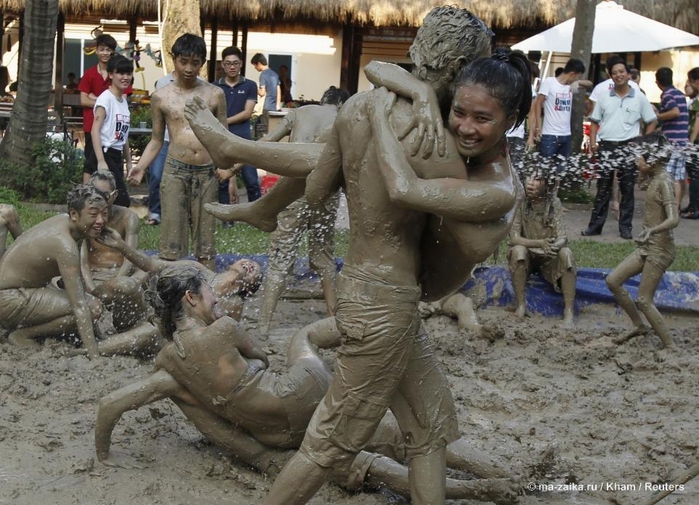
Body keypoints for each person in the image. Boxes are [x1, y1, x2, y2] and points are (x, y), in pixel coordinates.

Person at [184, 9, 527, 503]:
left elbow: (320, 181)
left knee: (428, 426)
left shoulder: (360, 106)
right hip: (386, 304)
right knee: (327, 446)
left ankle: (237, 154)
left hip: (370, 292)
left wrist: (258, 164)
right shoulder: (440, 146)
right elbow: (466, 244)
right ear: (459, 68)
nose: (468, 119)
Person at [95, 265, 520, 504]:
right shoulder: (223, 328)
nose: (217, 299)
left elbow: (110, 404)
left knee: (358, 460)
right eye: (210, 292)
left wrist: (104, 456)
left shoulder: (166, 366)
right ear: (191, 299)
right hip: (299, 390)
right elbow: (261, 355)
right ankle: (375, 326)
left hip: (275, 435)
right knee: (306, 341)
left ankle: (479, 491)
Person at [127, 34, 227, 271]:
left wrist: (228, 169)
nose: (189, 68)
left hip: (207, 173)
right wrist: (140, 167)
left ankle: (207, 295)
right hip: (175, 170)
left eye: (195, 63)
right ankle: (172, 295)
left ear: (203, 62)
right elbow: (155, 140)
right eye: (183, 62)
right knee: (171, 243)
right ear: (174, 60)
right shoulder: (162, 96)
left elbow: (224, 137)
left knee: (206, 245)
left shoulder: (215, 94)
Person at [255, 86, 348, 336]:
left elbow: (266, 143)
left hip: (291, 191)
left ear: (323, 101)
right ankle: (334, 320)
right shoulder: (344, 120)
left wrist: (233, 167)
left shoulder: (300, 113)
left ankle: (263, 327)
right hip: (326, 193)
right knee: (324, 258)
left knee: (280, 262)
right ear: (342, 105)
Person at [0, 186, 107, 358]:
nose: (101, 221)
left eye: (105, 214)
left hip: (20, 291)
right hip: (9, 297)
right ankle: (23, 334)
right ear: (74, 214)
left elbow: (73, 283)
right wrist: (95, 356)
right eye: (94, 215)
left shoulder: (70, 225)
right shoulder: (65, 245)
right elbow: (79, 305)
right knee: (92, 307)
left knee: (87, 304)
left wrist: (97, 335)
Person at [607, 132, 678, 349]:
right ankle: (639, 325)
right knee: (613, 281)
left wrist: (652, 231)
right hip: (647, 247)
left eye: (640, 157)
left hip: (660, 249)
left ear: (653, 160)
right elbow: (641, 186)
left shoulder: (664, 183)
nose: (636, 160)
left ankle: (670, 345)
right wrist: (641, 171)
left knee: (644, 300)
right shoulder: (654, 179)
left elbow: (674, 219)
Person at [581, 56, 657, 239]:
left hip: (628, 147)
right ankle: (595, 227)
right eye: (614, 73)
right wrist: (592, 142)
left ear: (628, 74)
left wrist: (641, 141)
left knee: (627, 189)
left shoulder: (639, 97)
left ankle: (625, 228)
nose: (618, 75)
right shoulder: (605, 97)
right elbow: (594, 122)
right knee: (603, 188)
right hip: (606, 145)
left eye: (621, 72)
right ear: (610, 75)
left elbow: (652, 120)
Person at [509, 172, 576, 328]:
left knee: (566, 254)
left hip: (549, 256)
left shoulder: (554, 203)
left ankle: (569, 312)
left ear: (547, 185)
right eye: (529, 177)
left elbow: (563, 237)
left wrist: (554, 247)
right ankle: (521, 306)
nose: (530, 182)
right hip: (528, 255)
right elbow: (514, 238)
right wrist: (539, 243)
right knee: (518, 251)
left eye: (537, 179)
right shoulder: (520, 202)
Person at [79, 34, 131, 184]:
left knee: (110, 174)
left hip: (113, 130)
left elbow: (121, 102)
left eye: (108, 50)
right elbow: (83, 100)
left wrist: (93, 97)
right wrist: (100, 101)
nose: (105, 53)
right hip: (92, 126)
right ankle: (86, 194)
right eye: (102, 49)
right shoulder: (89, 74)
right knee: (90, 164)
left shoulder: (119, 73)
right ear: (96, 51)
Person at [214, 46, 261, 205]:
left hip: (243, 138)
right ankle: (226, 218)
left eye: (235, 63)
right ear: (223, 65)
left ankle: (257, 215)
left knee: (251, 180)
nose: (232, 67)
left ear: (241, 64)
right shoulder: (215, 87)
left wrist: (223, 122)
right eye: (228, 63)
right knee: (222, 180)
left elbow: (247, 113)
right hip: (221, 139)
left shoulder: (250, 85)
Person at [91, 54, 133, 208]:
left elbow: (123, 135)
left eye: (128, 73)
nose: (125, 77)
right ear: (110, 74)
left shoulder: (123, 101)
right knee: (121, 200)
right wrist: (101, 160)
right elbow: (95, 130)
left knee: (112, 200)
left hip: (116, 154)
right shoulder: (105, 99)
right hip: (105, 153)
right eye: (120, 73)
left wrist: (129, 162)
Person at [532, 58, 587, 172]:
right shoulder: (549, 82)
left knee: (560, 171)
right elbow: (538, 103)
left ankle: (555, 190)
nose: (577, 79)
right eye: (577, 77)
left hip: (566, 134)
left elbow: (590, 84)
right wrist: (538, 127)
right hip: (549, 134)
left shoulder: (571, 86)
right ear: (572, 74)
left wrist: (578, 82)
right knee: (545, 169)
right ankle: (542, 189)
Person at [655, 66, 689, 211]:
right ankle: (678, 206)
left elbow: (674, 112)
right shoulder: (680, 94)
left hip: (672, 142)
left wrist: (657, 116)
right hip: (682, 140)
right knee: (679, 176)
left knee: (671, 177)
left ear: (657, 82)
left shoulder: (667, 95)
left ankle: (672, 208)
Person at [250, 53, 281, 137]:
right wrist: (278, 105)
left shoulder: (263, 75)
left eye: (255, 65)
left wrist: (253, 88)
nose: (255, 68)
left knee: (264, 131)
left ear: (259, 63)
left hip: (266, 107)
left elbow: (262, 93)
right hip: (274, 107)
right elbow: (278, 90)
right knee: (273, 130)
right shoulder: (275, 74)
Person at [683, 67, 699, 219]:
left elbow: (698, 122)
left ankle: (695, 208)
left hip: (696, 143)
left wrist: (691, 142)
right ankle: (693, 204)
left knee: (695, 175)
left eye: (691, 82)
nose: (690, 84)